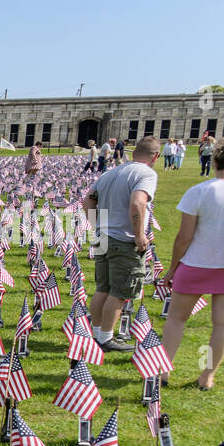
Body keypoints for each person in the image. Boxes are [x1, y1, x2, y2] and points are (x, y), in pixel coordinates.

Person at [160, 133, 224, 390]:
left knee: (176, 319)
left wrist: (172, 268)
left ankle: (163, 371)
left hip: (196, 264)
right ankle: (207, 376)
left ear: (214, 159)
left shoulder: (199, 191)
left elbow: (183, 237)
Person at [81, 135, 161, 352]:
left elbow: (87, 200)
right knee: (119, 291)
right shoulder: (146, 174)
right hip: (124, 239)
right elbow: (138, 203)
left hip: (104, 237)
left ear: (133, 154)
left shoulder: (111, 172)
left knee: (102, 288)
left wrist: (97, 226)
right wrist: (139, 235)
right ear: (156, 156)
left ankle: (97, 335)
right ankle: (105, 339)